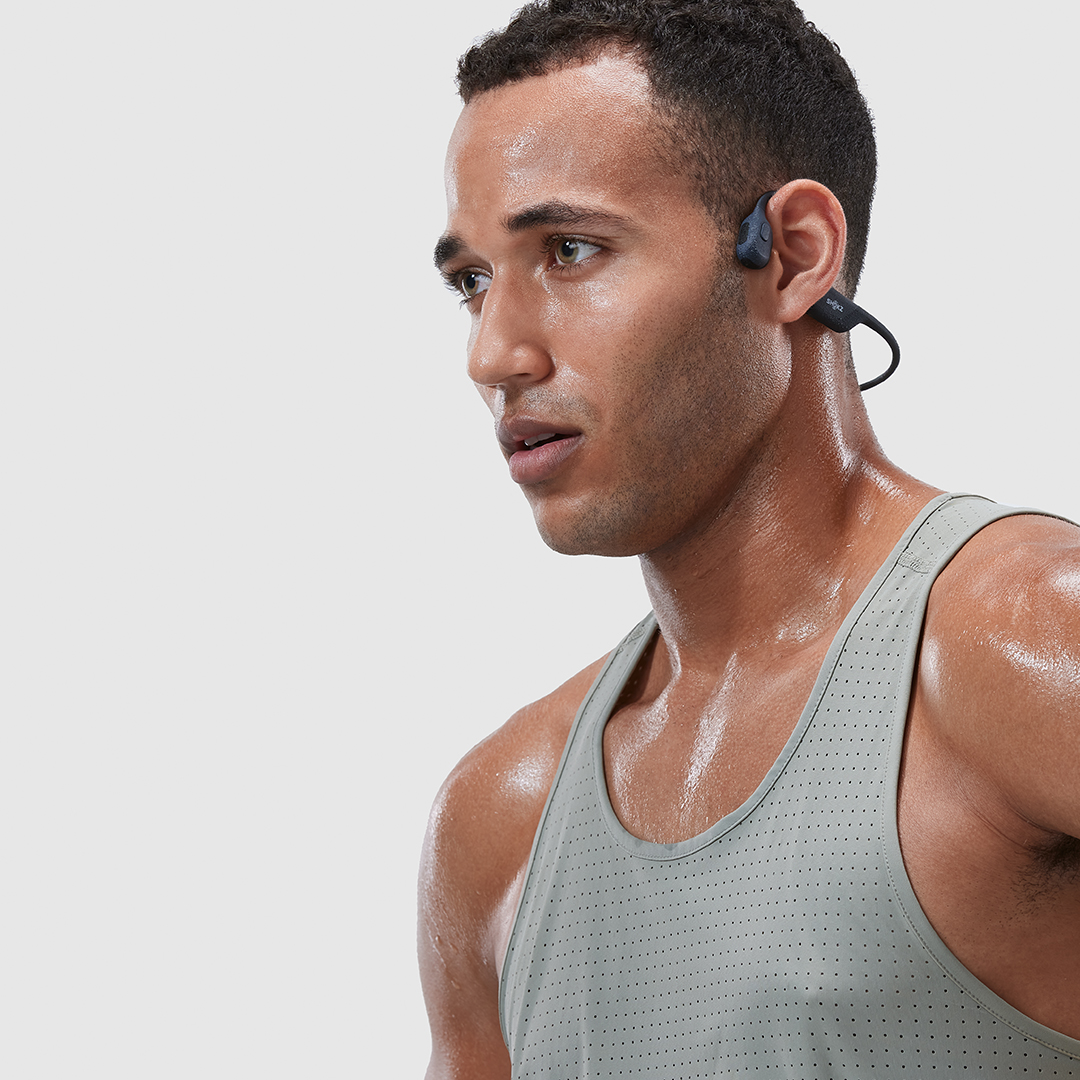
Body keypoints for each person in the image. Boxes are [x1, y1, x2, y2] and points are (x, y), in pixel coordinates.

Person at [418, 1, 1080, 1075]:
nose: (494, 355)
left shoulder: (1027, 646)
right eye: (472, 282)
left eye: (571, 251)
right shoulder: (501, 821)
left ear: (794, 256)